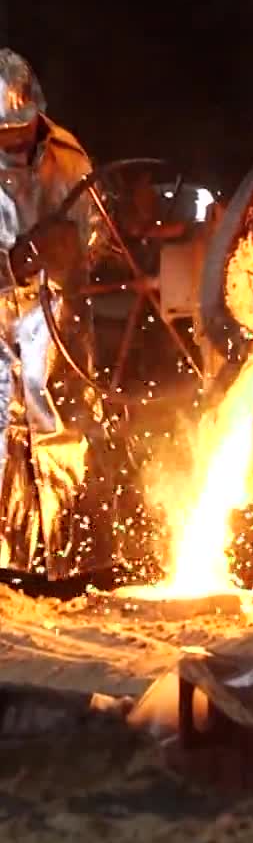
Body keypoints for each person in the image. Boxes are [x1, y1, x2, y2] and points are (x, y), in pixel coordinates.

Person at [0, 48, 114, 581]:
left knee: (64, 425)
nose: (19, 140)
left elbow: (97, 235)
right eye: (7, 132)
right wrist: (17, 260)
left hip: (58, 314)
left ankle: (77, 565)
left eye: (25, 128)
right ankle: (9, 566)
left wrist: (76, 251)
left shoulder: (68, 155)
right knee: (5, 432)